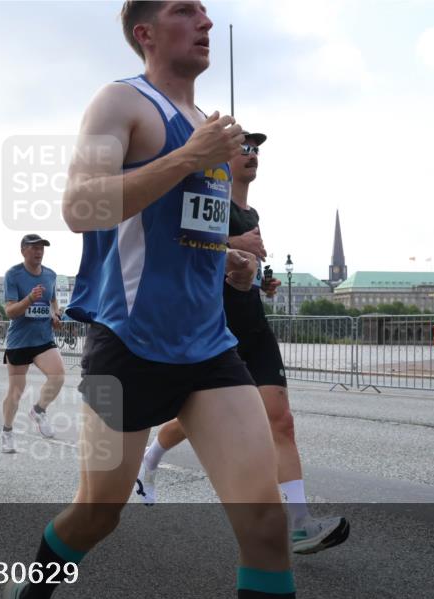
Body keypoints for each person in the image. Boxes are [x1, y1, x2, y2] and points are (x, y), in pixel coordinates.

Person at [4, 4, 298, 599]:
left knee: (265, 521)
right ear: (145, 33)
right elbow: (80, 206)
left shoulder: (210, 128)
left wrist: (233, 260)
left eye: (206, 11)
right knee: (98, 513)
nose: (205, 21)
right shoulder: (121, 103)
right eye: (184, 10)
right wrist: (190, 156)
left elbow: (186, 230)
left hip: (209, 349)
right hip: (125, 346)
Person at [136, 132, 350, 556]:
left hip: (253, 322)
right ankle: (150, 459)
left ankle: (301, 523)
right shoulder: (206, 197)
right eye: (244, 148)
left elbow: (243, 265)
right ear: (223, 157)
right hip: (215, 326)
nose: (253, 154)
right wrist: (235, 244)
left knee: (281, 421)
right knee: (198, 418)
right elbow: (180, 249)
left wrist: (262, 281)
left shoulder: (251, 212)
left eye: (257, 149)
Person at [0, 234, 64, 454]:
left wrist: (56, 315)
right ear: (23, 251)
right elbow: (10, 311)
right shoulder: (13, 274)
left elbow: (52, 300)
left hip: (43, 338)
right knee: (16, 391)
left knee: (58, 376)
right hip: (20, 341)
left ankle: (39, 410)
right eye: (34, 248)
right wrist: (29, 299)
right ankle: (7, 431)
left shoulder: (50, 275)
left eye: (41, 248)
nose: (39, 252)